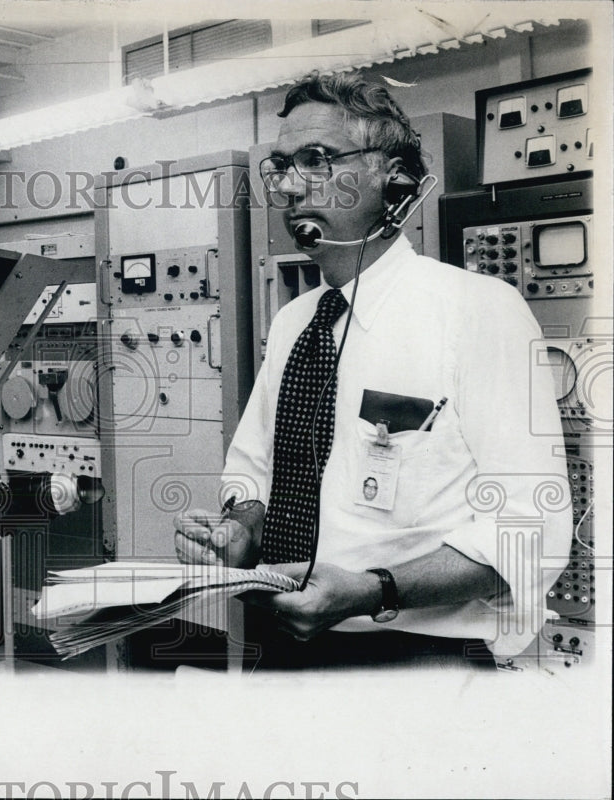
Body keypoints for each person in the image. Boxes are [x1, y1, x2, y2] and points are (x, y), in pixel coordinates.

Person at [173, 71, 571, 669]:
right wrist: (239, 529)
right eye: (281, 167)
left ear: (394, 177)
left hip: (421, 657)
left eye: (317, 160)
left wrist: (375, 590)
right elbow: (252, 472)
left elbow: (530, 528)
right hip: (285, 642)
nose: (290, 186)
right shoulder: (295, 323)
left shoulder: (479, 311)